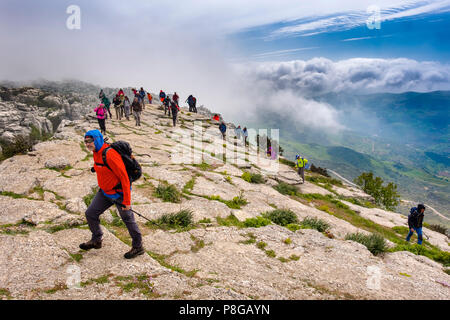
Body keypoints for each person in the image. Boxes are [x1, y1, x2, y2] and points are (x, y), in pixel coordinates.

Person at [79, 130, 145, 259]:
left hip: (119, 194)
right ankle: (97, 240)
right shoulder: (96, 151)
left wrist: (126, 201)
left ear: (97, 139)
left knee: (128, 219)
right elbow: (102, 166)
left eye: (90, 141)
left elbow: (125, 178)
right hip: (104, 192)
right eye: (85, 141)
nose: (87, 144)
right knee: (90, 214)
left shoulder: (110, 154)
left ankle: (138, 247)